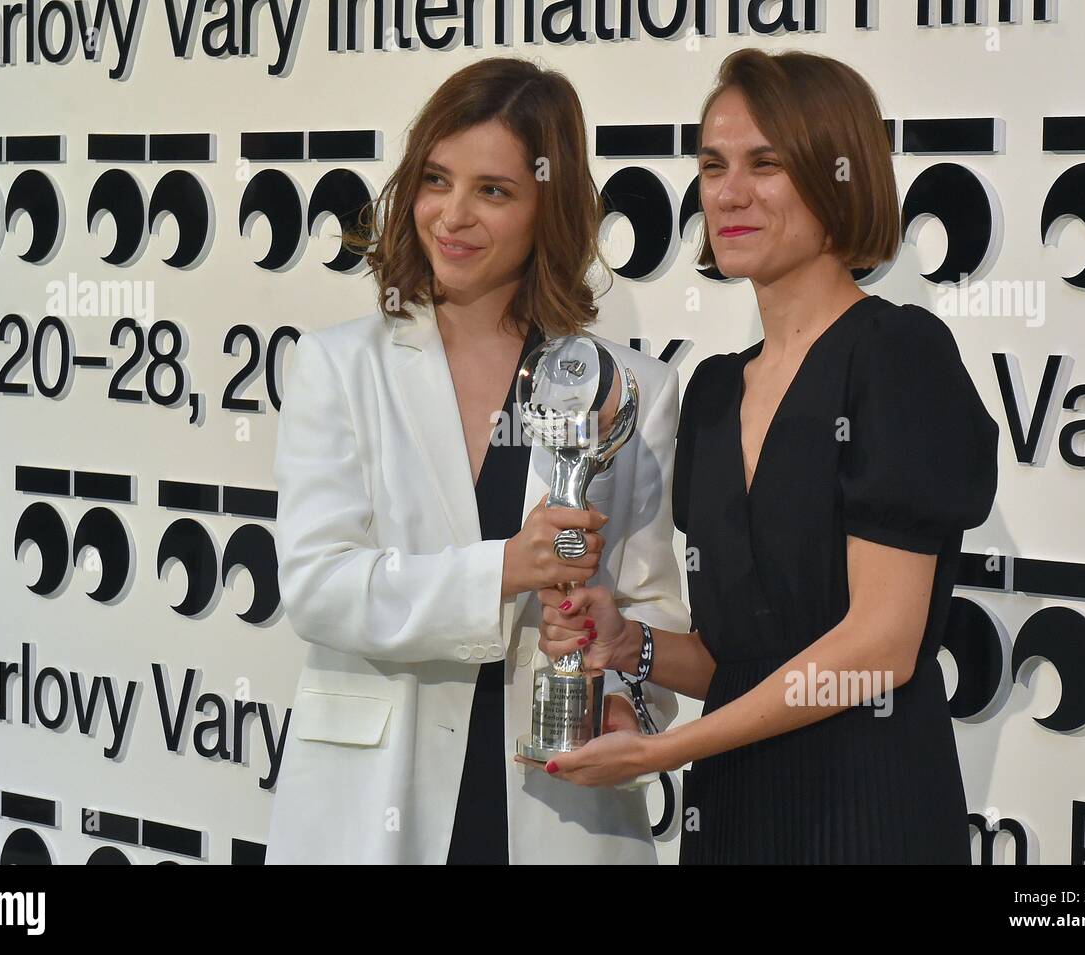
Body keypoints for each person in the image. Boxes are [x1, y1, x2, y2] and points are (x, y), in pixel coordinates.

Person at [533, 48, 1000, 864]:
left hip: (869, 812)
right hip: (736, 814)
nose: (729, 192)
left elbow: (880, 646)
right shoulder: (712, 391)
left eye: (766, 164)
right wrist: (629, 643)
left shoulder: (896, 353)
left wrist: (665, 750)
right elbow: (739, 660)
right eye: (713, 165)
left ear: (838, 177)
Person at [264, 57, 689, 865]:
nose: (452, 216)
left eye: (493, 190)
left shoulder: (632, 389)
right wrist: (504, 568)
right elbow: (318, 587)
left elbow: (652, 612)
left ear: (547, 209)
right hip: (378, 807)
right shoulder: (338, 366)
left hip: (561, 805)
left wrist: (628, 707)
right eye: (435, 179)